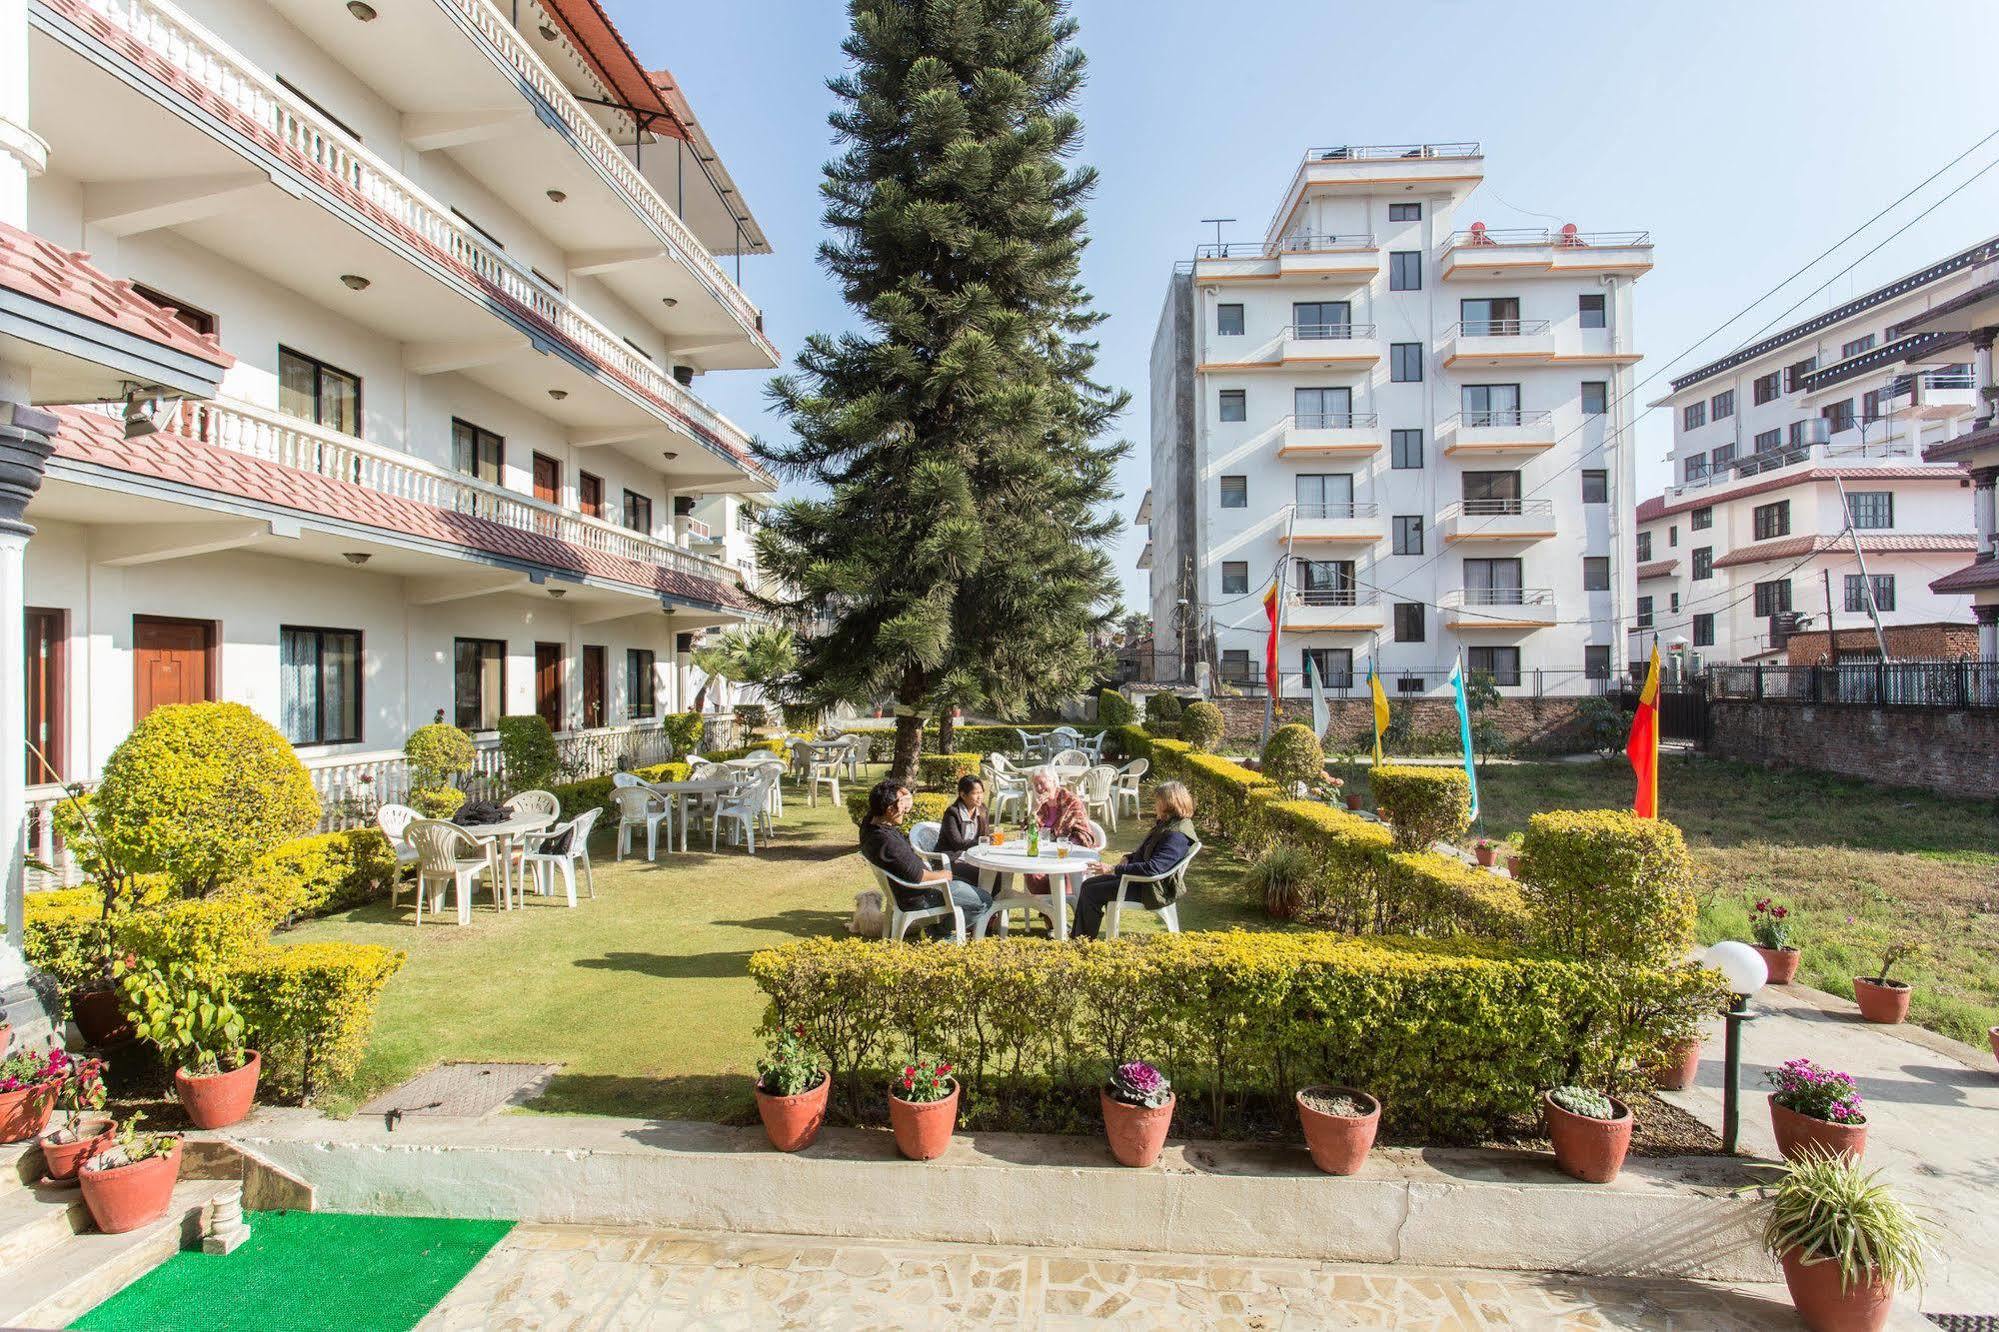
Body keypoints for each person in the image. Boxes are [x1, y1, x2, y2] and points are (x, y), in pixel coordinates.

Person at [857, 779, 990, 939]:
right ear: (889, 809)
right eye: (901, 806)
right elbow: (918, 876)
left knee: (968, 883)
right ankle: (938, 932)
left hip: (908, 890)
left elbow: (878, 802)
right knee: (984, 901)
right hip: (921, 895)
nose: (906, 810)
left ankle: (953, 924)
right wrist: (943, 875)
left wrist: (902, 794)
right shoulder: (887, 843)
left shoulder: (870, 826)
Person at [1069, 781, 1198, 941]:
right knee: (1088, 884)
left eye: (1157, 801)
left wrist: (1113, 868)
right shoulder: (1168, 824)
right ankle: (1080, 939)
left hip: (1151, 889)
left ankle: (1082, 942)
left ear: (1168, 803)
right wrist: (1129, 858)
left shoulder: (1177, 835)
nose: (1155, 805)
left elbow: (1153, 868)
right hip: (1142, 882)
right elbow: (1148, 852)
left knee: (1092, 891)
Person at [934, 774, 990, 883]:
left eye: (981, 792)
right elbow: (957, 843)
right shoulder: (952, 813)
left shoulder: (982, 810)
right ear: (963, 795)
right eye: (975, 793)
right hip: (951, 859)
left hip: (972, 856)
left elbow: (985, 835)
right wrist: (982, 841)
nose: (979, 797)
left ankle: (996, 898)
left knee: (996, 871)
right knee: (983, 873)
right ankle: (983, 899)